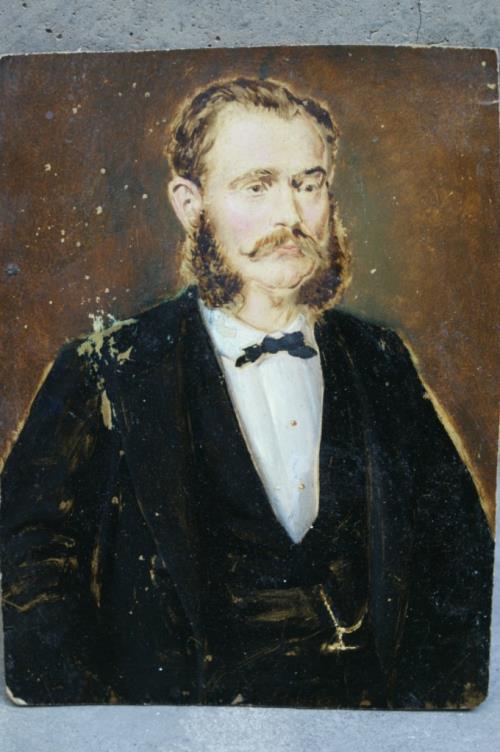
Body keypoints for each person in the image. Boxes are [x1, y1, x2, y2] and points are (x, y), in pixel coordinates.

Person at [0, 78, 493, 709]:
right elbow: (27, 575)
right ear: (190, 204)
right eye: (257, 186)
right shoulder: (105, 370)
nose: (290, 216)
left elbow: (463, 567)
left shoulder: (382, 361)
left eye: (308, 184)